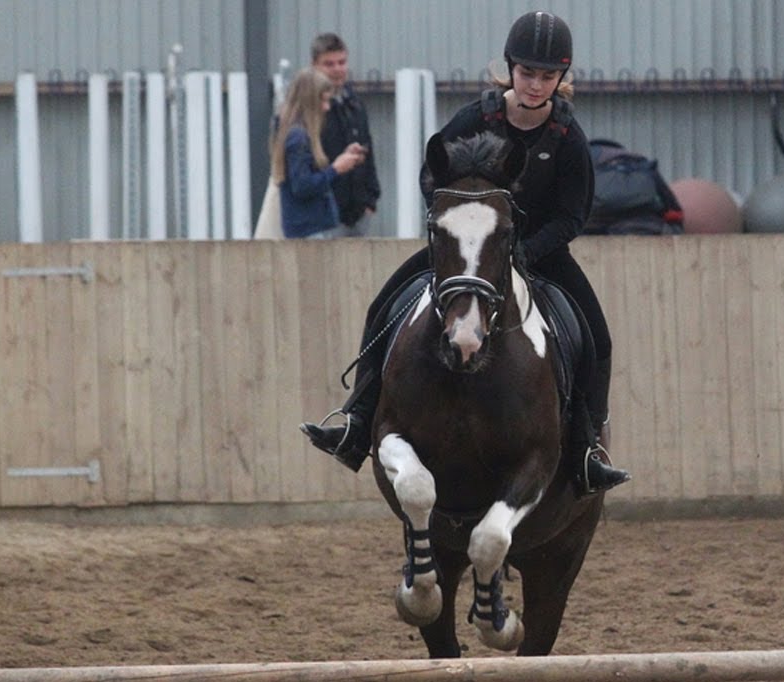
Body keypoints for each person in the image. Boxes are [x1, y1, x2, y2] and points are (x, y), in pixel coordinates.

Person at [300, 10, 631, 494]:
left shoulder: (567, 138)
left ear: (561, 77)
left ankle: (587, 449)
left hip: (538, 252)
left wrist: (525, 251)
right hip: (467, 252)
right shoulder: (476, 118)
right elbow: (431, 177)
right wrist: (457, 232)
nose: (536, 85)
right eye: (527, 73)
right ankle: (355, 423)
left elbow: (572, 215)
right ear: (510, 68)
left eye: (547, 76)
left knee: (596, 338)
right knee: (383, 307)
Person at [270, 68, 368, 239]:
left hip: (311, 228)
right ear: (310, 103)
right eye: (323, 101)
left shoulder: (296, 135)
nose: (327, 107)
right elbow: (302, 186)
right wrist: (335, 169)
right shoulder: (298, 138)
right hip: (309, 230)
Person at [311, 33, 381, 237]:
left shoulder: (354, 104)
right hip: (325, 216)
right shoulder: (310, 110)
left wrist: (371, 200)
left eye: (341, 62)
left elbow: (368, 153)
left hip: (359, 213)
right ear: (315, 65)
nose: (337, 69)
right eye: (329, 64)